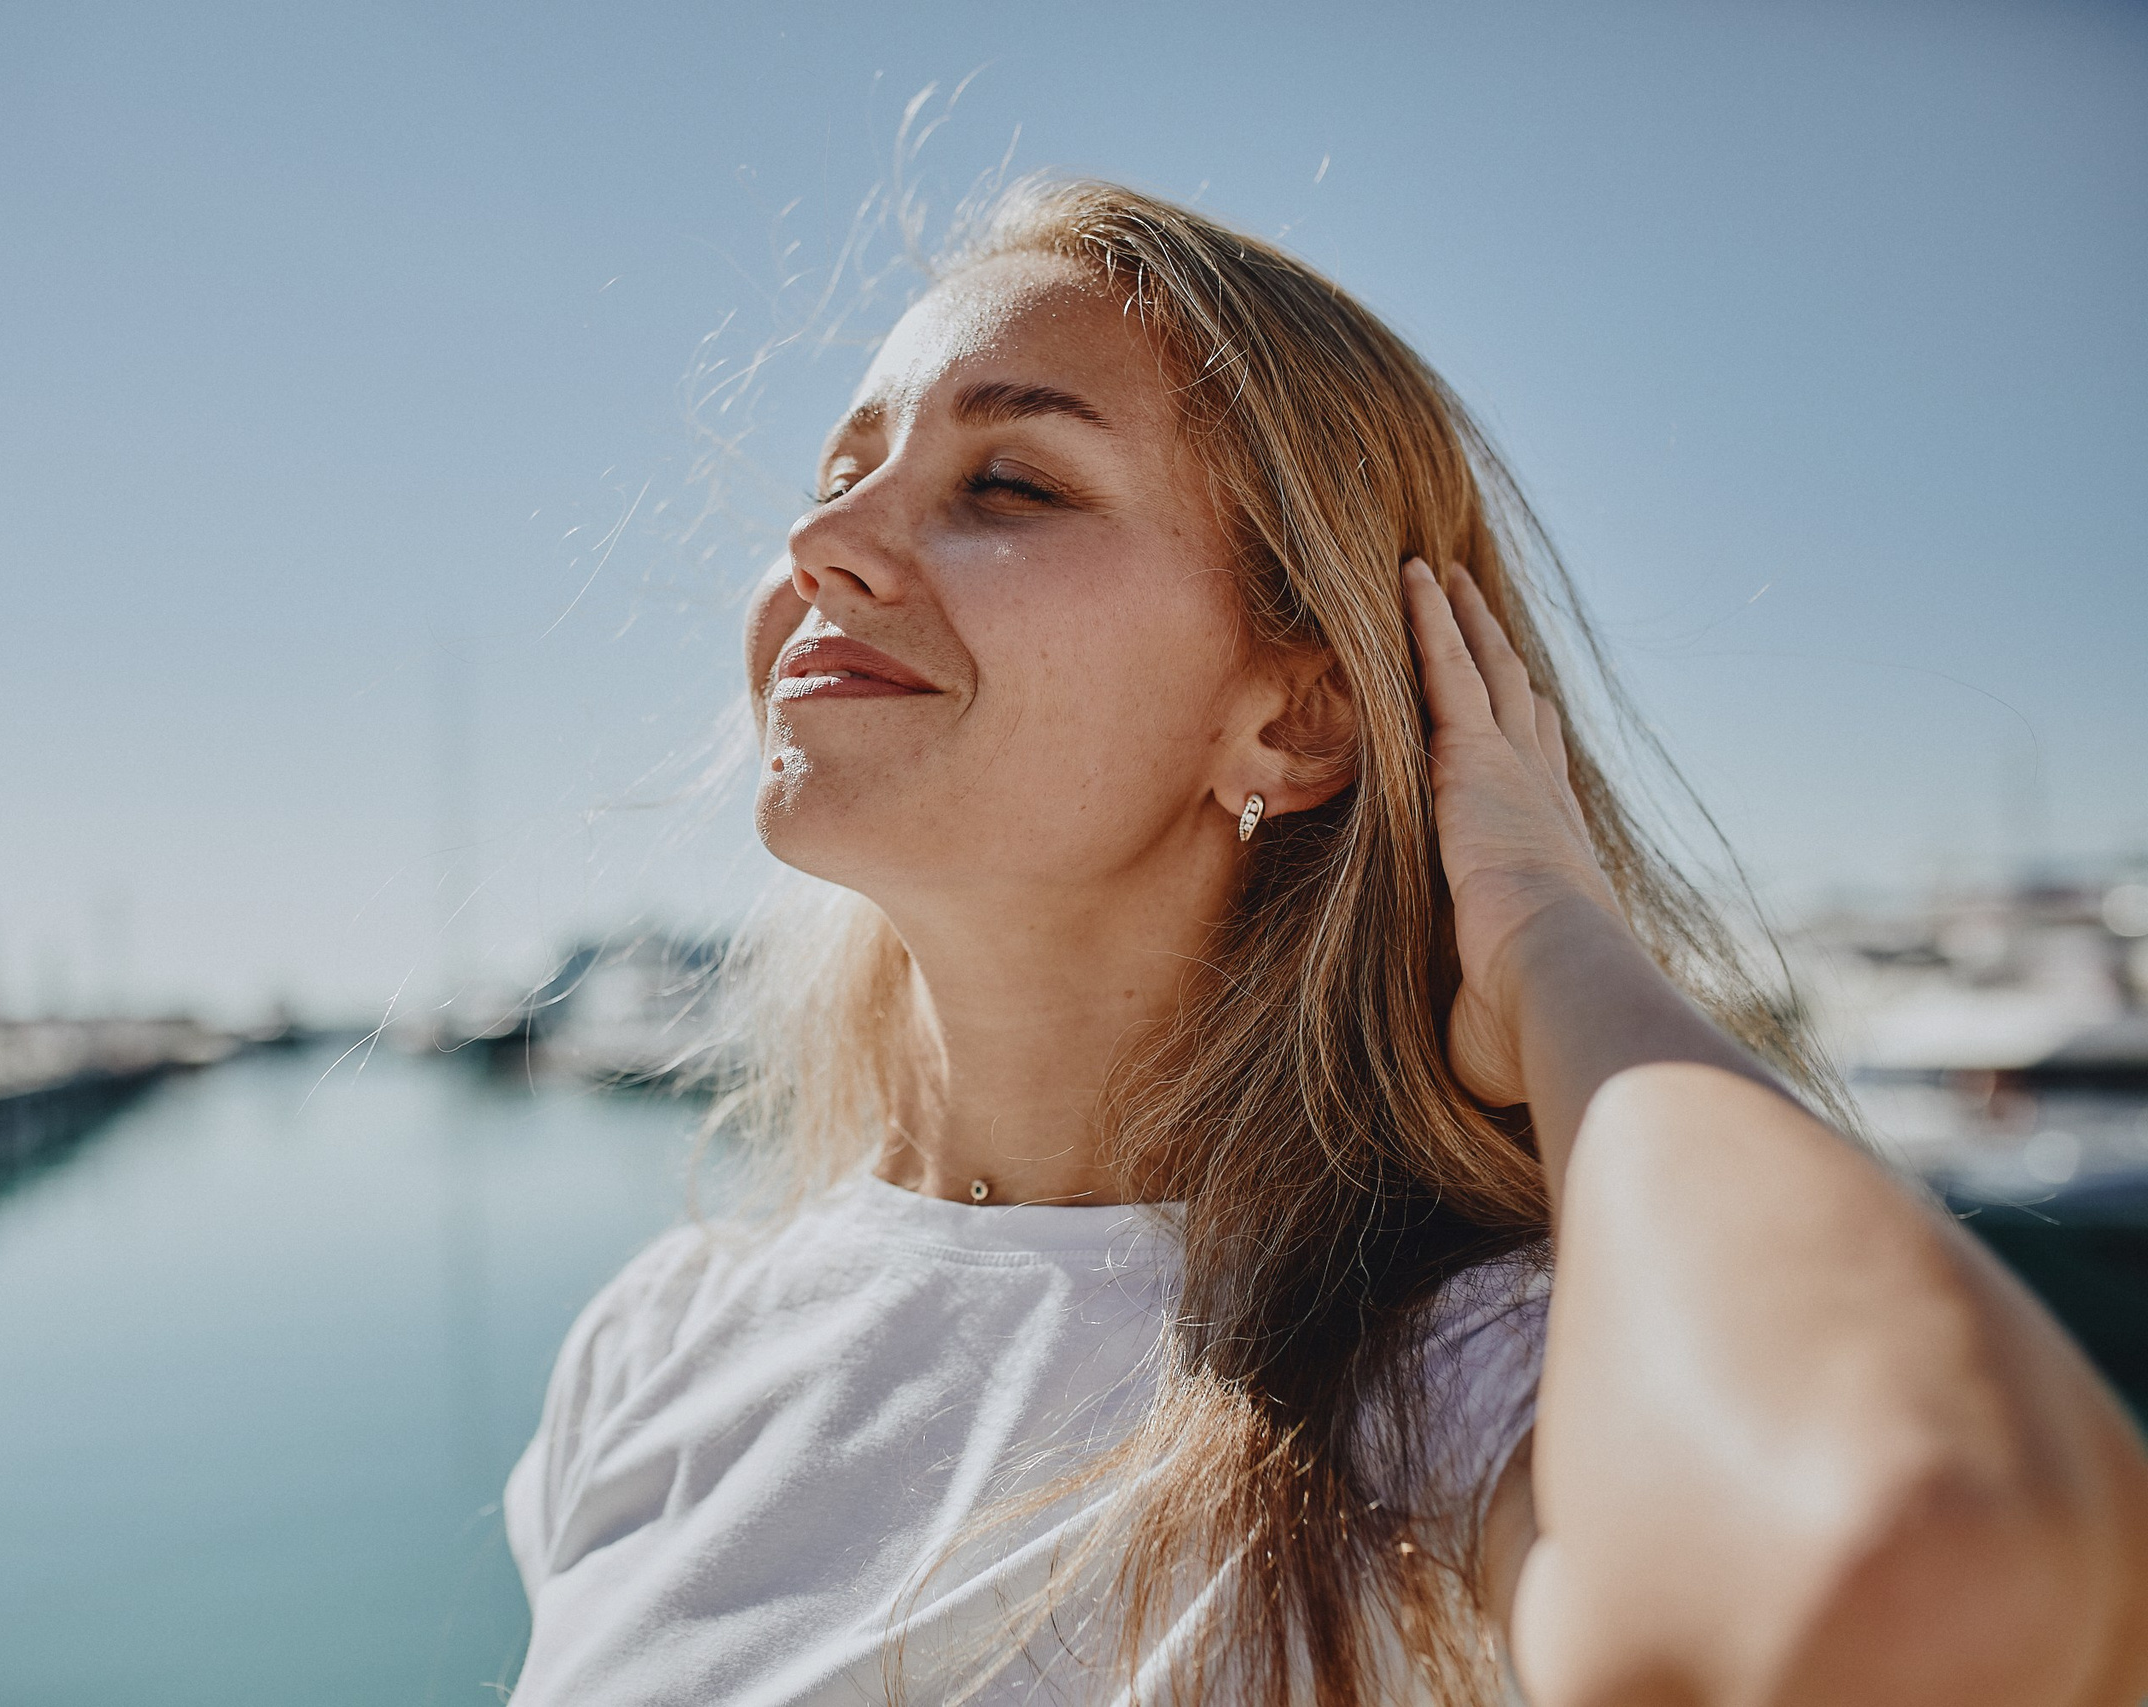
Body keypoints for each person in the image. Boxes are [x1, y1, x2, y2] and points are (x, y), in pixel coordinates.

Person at [503, 177, 2148, 1706]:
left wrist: (1558, 948)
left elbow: (1947, 1561)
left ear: (1294, 722)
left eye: (1007, 481)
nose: (823, 541)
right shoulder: (658, 1344)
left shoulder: (1459, 1389)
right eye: (835, 474)